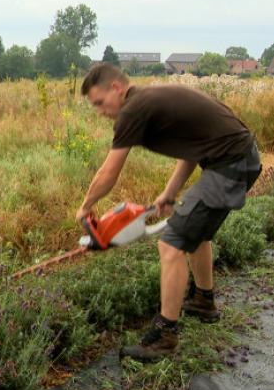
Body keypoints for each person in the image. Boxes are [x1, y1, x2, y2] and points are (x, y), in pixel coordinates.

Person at [77, 63, 261, 362]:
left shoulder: (132, 110)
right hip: (235, 159)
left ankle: (164, 338)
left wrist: (85, 207)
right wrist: (170, 192)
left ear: (116, 88)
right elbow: (193, 148)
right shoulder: (148, 100)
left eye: (99, 103)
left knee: (172, 242)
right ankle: (203, 301)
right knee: (194, 232)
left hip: (231, 162)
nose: (100, 111)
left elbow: (109, 171)